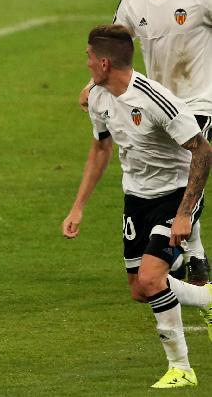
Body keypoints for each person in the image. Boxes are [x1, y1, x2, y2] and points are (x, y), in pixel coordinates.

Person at [64, 24, 212, 388]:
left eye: (87, 59)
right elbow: (100, 148)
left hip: (174, 194)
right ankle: (206, 297)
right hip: (137, 197)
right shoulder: (99, 97)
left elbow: (203, 150)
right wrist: (78, 206)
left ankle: (182, 370)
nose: (86, 66)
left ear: (103, 62)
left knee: (151, 278)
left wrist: (184, 214)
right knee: (140, 289)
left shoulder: (156, 100)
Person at [79, 0, 212, 286]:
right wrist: (92, 85)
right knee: (168, 173)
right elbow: (111, 52)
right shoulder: (132, 2)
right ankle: (184, 253)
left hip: (199, 102)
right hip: (156, 104)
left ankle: (195, 255)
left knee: (190, 163)